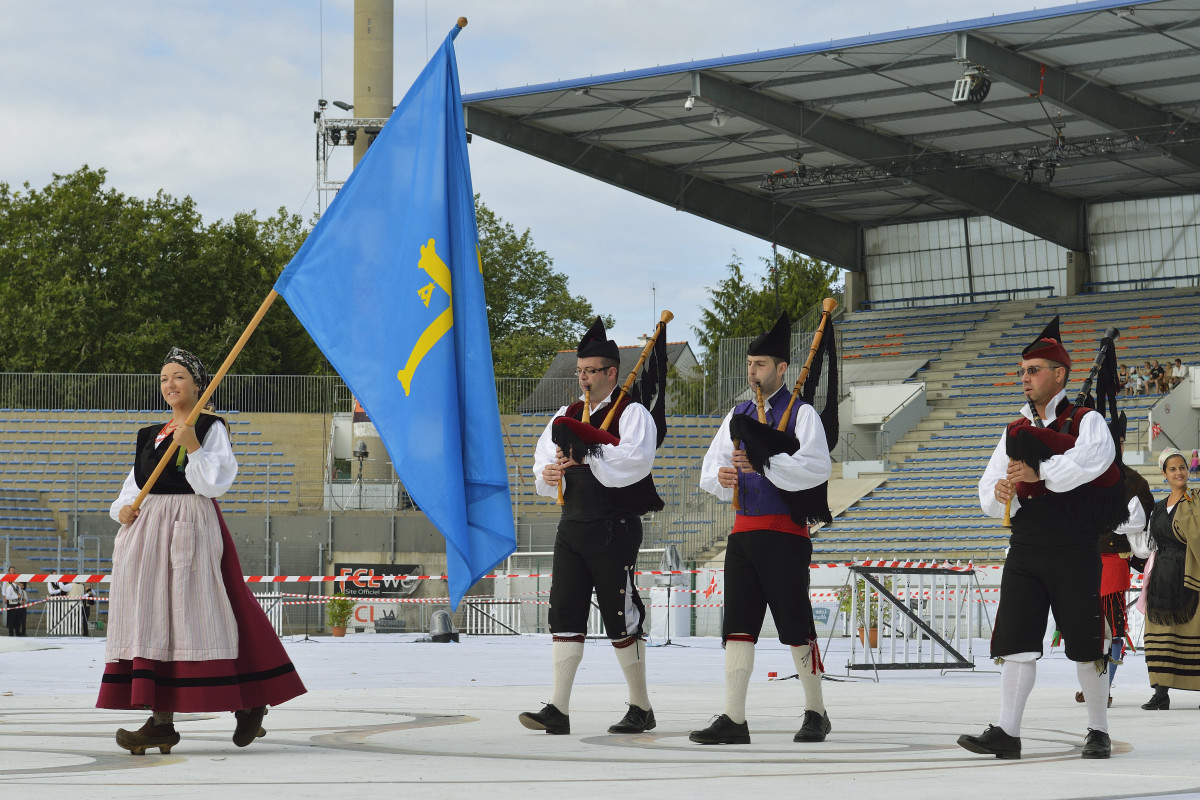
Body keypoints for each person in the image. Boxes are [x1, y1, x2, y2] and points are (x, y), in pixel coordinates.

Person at [99, 347, 306, 755]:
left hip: (188, 528)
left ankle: (247, 703)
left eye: (178, 377)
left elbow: (214, 483)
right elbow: (132, 488)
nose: (169, 385)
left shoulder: (210, 427)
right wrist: (121, 510)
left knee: (199, 616)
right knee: (153, 621)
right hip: (145, 535)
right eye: (163, 379)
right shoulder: (148, 435)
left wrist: (192, 444)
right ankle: (161, 723)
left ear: (198, 384)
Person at [960, 317, 1124, 760]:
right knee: (1016, 642)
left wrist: (1039, 472)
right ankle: (1007, 732)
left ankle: (1097, 729)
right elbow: (988, 491)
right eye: (1022, 371)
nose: (1025, 378)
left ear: (1059, 374)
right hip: (1027, 548)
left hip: (1073, 547)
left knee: (1086, 643)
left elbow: (1088, 465)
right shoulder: (1014, 429)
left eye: (1033, 370)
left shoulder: (1086, 421)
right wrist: (999, 494)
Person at [691, 313, 834, 745]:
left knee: (794, 623)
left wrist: (764, 464)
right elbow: (709, 470)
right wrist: (725, 478)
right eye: (750, 364)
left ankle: (816, 711)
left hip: (785, 534)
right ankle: (734, 718)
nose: (752, 371)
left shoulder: (802, 414)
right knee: (738, 625)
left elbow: (815, 468)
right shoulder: (739, 414)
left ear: (782, 368)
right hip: (743, 533)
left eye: (760, 364)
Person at [520, 319, 661, 736]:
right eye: (579, 372)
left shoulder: (633, 414)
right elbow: (541, 466)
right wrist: (548, 475)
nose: (582, 379)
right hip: (573, 525)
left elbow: (633, 466)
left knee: (620, 614)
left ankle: (641, 706)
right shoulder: (565, 415)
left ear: (611, 373)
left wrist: (590, 456)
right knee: (564, 612)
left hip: (613, 525)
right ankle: (558, 709)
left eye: (590, 371)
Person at [1071, 416, 1152, 707]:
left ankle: (1103, 687)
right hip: (1084, 560)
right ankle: (1091, 684)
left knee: (1113, 628)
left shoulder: (1134, 481)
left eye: (1116, 442)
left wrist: (1109, 520)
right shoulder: (1084, 475)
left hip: (1114, 563)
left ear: (1121, 444)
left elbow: (1139, 521)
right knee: (1086, 628)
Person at [1140, 448, 1200, 710]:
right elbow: (1150, 545)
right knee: (1159, 633)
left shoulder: (1196, 501)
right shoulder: (1157, 508)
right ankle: (1160, 693)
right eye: (1173, 469)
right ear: (1164, 474)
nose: (1179, 473)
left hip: (1189, 573)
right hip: (1162, 577)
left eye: (1182, 468)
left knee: (1193, 631)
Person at [3, 567, 28, 636]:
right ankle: (11, 633)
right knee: (11, 619)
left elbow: (20, 595)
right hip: (12, 604)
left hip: (18, 604)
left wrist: (21, 600)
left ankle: (17, 632)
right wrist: (16, 597)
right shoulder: (10, 587)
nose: (19, 581)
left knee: (18, 619)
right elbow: (7, 597)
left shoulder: (19, 587)